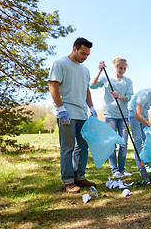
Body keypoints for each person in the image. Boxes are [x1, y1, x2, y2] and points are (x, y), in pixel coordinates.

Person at [49, 37, 97, 193]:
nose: (85, 57)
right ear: (75, 49)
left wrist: (92, 107)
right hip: (67, 113)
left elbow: (86, 90)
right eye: (83, 53)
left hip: (82, 114)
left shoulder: (85, 70)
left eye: (87, 54)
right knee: (67, 147)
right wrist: (60, 108)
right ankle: (68, 180)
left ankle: (80, 176)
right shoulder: (60, 63)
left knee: (83, 147)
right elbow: (53, 85)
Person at [89, 57, 133, 179]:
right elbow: (92, 85)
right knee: (111, 143)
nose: (122, 70)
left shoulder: (128, 81)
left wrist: (119, 96)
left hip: (123, 115)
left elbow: (128, 98)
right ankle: (115, 170)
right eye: (120, 68)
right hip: (110, 116)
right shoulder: (106, 79)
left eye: (124, 68)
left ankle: (122, 169)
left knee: (123, 144)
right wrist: (99, 71)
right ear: (115, 67)